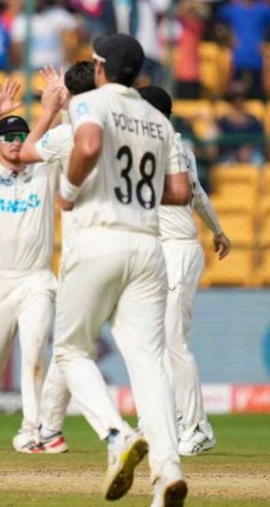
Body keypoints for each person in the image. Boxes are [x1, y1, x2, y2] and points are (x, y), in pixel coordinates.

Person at [54, 33, 191, 505]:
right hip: (149, 245)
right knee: (150, 362)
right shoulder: (158, 119)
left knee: (71, 351)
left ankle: (117, 435)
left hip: (100, 237)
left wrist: (69, 192)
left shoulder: (90, 102)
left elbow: (88, 146)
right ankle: (168, 469)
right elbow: (179, 192)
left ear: (99, 67)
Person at [0, 77, 63, 453]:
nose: (17, 141)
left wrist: (60, 102)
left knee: (35, 355)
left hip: (36, 280)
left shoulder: (45, 174)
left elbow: (64, 138)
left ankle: (31, 428)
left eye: (22, 136)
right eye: (9, 137)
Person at [139, 85, 231, 457]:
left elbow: (185, 193)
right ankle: (165, 419)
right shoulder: (173, 146)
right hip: (159, 251)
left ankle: (197, 426)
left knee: (174, 343)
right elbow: (200, 195)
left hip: (176, 250)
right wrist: (219, 229)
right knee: (154, 344)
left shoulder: (170, 147)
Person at [17, 60, 97, 454]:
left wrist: (50, 107)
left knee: (69, 348)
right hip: (139, 246)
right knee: (148, 348)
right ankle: (162, 429)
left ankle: (104, 431)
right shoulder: (125, 124)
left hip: (85, 254)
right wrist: (66, 98)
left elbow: (27, 151)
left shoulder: (68, 135)